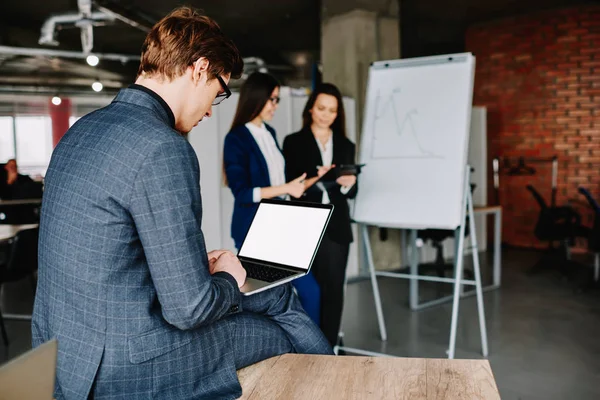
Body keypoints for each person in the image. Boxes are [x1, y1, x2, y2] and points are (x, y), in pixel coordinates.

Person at [31, 7, 331, 400]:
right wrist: (226, 275)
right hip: (125, 364)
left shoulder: (81, 131)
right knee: (279, 324)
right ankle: (339, 382)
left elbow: (105, 250)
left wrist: (190, 265)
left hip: (62, 356)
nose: (210, 109)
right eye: (219, 92)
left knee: (273, 296)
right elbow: (189, 309)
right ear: (199, 68)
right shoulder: (163, 147)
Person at [223, 72, 330, 325]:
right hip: (254, 227)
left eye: (277, 99)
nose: (275, 105)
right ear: (256, 98)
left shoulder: (269, 132)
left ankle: (308, 354)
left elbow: (282, 184)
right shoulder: (236, 138)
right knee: (263, 298)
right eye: (272, 99)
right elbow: (243, 192)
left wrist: (313, 179)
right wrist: (285, 187)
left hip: (281, 225)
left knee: (310, 292)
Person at [283, 83, 358, 347]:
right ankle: (310, 345)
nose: (326, 115)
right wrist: (320, 177)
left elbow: (351, 190)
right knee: (309, 293)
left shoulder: (346, 144)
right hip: (305, 223)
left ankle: (330, 347)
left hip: (337, 226)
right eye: (322, 108)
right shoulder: (294, 142)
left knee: (334, 291)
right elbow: (292, 186)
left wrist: (349, 184)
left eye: (333, 111)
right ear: (311, 108)